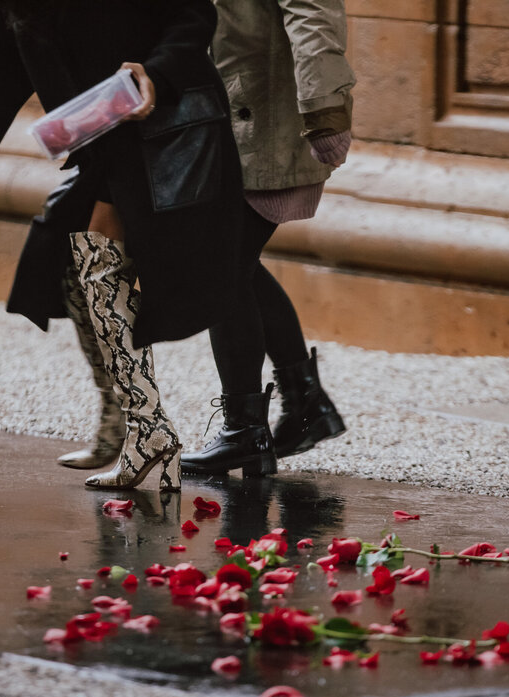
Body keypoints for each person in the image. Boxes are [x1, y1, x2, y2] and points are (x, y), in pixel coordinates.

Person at [0, 0, 243, 493]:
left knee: (202, 269)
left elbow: (194, 16)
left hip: (169, 135)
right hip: (104, 147)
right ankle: (130, 424)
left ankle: (186, 427)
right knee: (73, 264)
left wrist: (155, 73)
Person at [179, 0, 354, 477]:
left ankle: (245, 432)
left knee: (222, 265)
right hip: (225, 113)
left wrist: (324, 110)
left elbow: (313, 12)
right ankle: (304, 406)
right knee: (232, 262)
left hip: (268, 118)